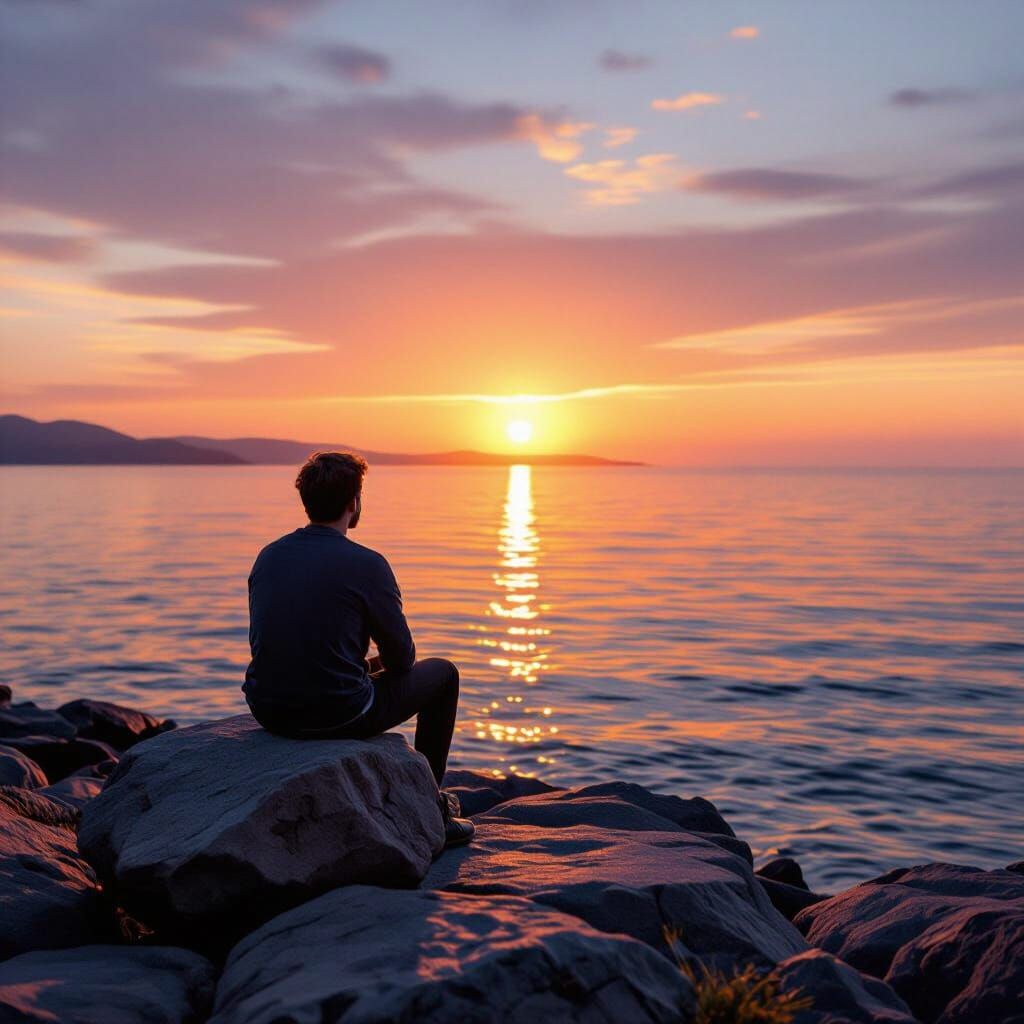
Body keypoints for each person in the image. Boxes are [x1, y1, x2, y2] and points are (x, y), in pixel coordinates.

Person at [243, 450, 474, 847]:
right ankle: (433, 810)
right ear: (355, 502)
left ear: (306, 500)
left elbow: (278, 644)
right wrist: (376, 666)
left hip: (269, 710)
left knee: (362, 670)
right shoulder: (367, 564)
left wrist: (360, 666)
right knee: (444, 674)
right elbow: (403, 660)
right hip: (337, 714)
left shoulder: (269, 556)